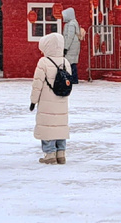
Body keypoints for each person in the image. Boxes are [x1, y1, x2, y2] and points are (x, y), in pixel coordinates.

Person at [29, 31, 71, 164]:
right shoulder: (66, 62)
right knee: (60, 125)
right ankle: (61, 153)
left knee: (48, 126)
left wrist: (33, 101)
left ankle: (50, 154)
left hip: (47, 102)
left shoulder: (43, 62)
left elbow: (37, 85)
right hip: (62, 100)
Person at [61, 7, 84, 84]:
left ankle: (71, 78)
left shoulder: (70, 25)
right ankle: (74, 78)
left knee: (69, 63)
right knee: (72, 63)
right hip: (74, 46)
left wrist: (65, 47)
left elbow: (69, 37)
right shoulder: (74, 22)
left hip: (71, 47)